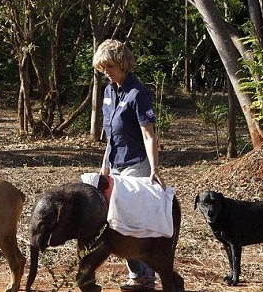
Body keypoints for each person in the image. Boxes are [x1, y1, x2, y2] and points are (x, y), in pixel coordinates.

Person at [92, 39, 165, 292]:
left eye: (110, 67)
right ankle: (139, 274)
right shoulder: (109, 92)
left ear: (122, 63)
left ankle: (145, 276)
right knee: (112, 221)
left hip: (136, 164)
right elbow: (111, 136)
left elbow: (149, 135)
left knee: (128, 222)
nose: (106, 72)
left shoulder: (138, 93)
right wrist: (104, 166)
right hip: (115, 164)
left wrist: (154, 169)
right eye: (102, 68)